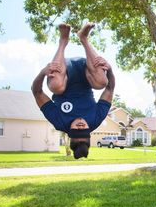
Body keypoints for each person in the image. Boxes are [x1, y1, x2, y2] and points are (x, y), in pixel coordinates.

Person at [32, 23, 115, 159]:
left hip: (63, 72)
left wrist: (42, 73)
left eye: (77, 130)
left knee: (56, 86)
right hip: (88, 71)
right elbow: (110, 89)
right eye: (85, 130)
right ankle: (83, 38)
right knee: (102, 82)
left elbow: (37, 92)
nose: (81, 125)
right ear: (89, 131)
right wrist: (109, 69)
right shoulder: (96, 119)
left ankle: (63, 41)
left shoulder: (59, 121)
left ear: (70, 132)